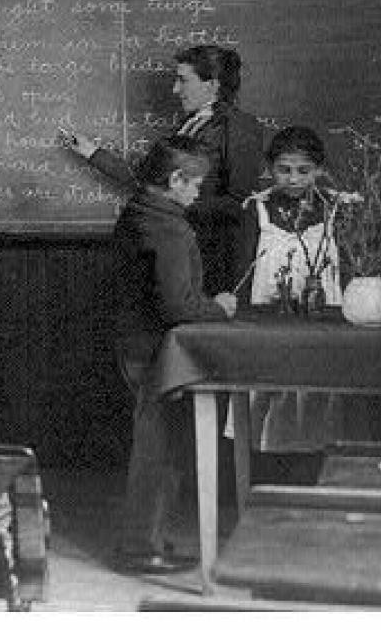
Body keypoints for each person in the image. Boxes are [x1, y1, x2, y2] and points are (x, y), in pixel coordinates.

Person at [111, 135, 237, 575]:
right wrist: (218, 308)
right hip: (157, 352)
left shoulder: (139, 213)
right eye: (195, 184)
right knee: (158, 451)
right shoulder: (168, 226)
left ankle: (151, 541)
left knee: (157, 447)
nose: (198, 192)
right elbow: (178, 306)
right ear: (176, 179)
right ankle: (141, 549)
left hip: (136, 346)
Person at [62, 45, 264, 295]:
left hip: (206, 252)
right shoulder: (190, 124)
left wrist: (173, 207)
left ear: (211, 85)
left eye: (183, 80)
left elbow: (238, 202)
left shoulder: (239, 127)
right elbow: (148, 180)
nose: (175, 89)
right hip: (170, 245)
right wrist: (92, 153)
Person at [236, 125, 358, 469]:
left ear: (320, 169)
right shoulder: (256, 209)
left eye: (304, 171)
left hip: (324, 324)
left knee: (319, 392)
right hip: (269, 323)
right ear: (270, 170)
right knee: (269, 391)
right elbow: (243, 271)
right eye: (283, 170)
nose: (293, 179)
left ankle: (317, 468)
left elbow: (348, 267)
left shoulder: (336, 208)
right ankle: (263, 470)